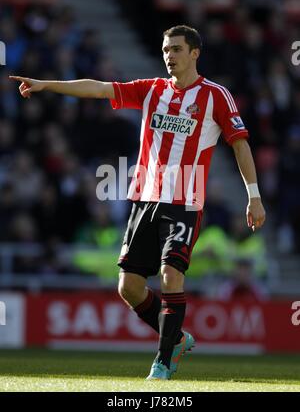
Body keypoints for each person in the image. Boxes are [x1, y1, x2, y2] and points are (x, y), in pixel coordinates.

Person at [10, 25, 266, 380]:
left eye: (176, 49)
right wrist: (46, 84)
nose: (169, 56)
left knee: (170, 274)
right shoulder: (151, 91)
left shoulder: (216, 96)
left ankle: (161, 363)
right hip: (145, 199)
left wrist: (253, 197)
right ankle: (174, 337)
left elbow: (240, 144)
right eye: (165, 50)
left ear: (195, 53)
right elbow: (99, 89)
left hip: (184, 201)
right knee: (128, 287)